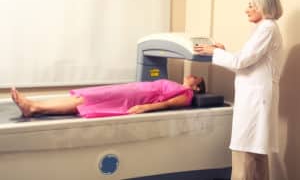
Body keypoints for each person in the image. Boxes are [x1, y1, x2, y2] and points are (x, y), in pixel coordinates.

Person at [194, 0, 283, 180]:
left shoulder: (267, 27)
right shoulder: (263, 28)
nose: (246, 9)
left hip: (256, 101)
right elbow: (245, 65)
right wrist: (224, 52)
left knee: (245, 153)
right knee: (257, 153)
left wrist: (213, 52)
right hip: (256, 98)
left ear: (264, 7)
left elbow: (241, 62)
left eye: (251, 5)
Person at [11, 75, 205, 118]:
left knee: (84, 102)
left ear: (196, 88)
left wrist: (144, 108)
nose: (191, 75)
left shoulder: (186, 94)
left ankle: (34, 108)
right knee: (84, 96)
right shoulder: (177, 84)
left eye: (196, 78)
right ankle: (33, 105)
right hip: (133, 90)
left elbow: (167, 105)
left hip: (136, 98)